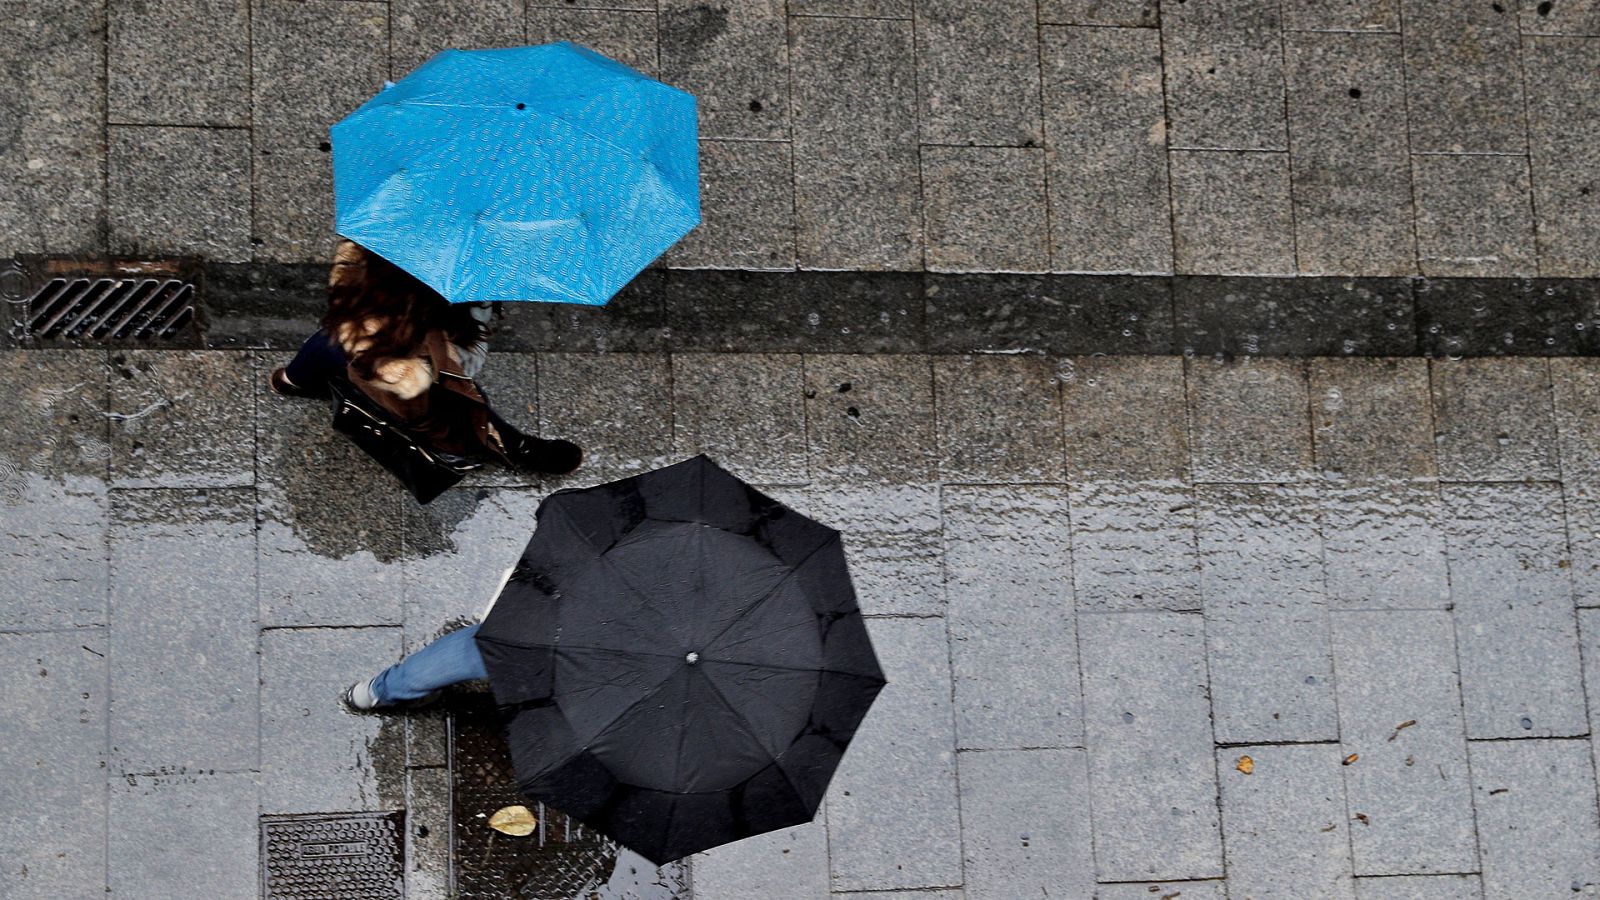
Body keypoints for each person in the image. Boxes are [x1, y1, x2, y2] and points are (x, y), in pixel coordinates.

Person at [270, 238, 582, 476]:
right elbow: (448, 382)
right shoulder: (426, 346)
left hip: (351, 332)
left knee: (328, 342)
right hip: (400, 376)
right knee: (457, 403)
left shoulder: (365, 259)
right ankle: (497, 447)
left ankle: (292, 381)